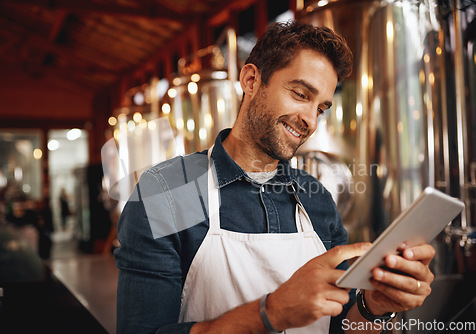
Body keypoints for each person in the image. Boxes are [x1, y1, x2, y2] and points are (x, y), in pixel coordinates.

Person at [115, 21, 435, 334]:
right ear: (252, 80)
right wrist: (272, 313)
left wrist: (372, 307)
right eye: (300, 94)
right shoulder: (173, 190)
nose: (310, 120)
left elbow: (341, 326)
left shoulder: (316, 200)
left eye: (321, 108)